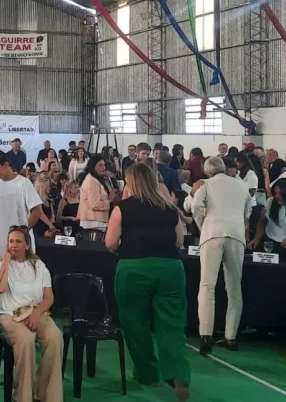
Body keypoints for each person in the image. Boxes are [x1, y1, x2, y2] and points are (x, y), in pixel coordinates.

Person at [105, 163, 190, 400]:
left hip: (134, 268)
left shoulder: (123, 208)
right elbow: (179, 241)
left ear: (131, 183)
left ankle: (148, 374)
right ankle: (179, 373)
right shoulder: (169, 208)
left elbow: (110, 243)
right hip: (170, 269)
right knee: (172, 325)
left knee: (135, 324)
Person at [0, 226, 62, 402]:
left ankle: (47, 394)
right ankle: (23, 397)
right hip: (9, 315)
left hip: (35, 311)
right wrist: (6, 262)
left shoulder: (39, 266)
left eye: (18, 241)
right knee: (26, 339)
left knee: (55, 338)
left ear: (27, 245)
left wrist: (38, 313)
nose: (13, 245)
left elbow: (49, 297)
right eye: (10, 241)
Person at [191, 156, 251, 356]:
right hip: (236, 235)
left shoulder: (205, 184)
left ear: (206, 172)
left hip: (212, 234)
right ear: (224, 169)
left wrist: (203, 227)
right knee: (234, 288)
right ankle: (231, 337)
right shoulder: (241, 185)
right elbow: (247, 212)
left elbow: (196, 207)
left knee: (207, 286)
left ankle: (205, 335)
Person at [77, 155, 119, 235]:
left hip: (97, 221)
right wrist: (109, 201)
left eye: (104, 165)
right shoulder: (91, 181)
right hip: (93, 222)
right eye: (100, 165)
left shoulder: (97, 179)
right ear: (93, 166)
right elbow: (95, 204)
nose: (103, 168)